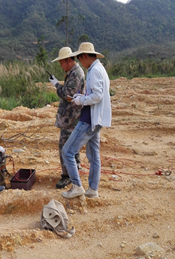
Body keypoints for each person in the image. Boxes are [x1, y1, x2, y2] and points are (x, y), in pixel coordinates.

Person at [60, 42, 112, 199]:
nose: (80, 62)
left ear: (84, 57)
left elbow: (97, 96)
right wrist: (81, 97)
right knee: (94, 155)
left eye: (80, 59)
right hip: (96, 118)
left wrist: (80, 100)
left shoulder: (94, 71)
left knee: (68, 151)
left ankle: (76, 185)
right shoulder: (98, 69)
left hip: (89, 118)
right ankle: (93, 190)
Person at [49, 47, 85, 189]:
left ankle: (67, 175)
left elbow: (68, 95)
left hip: (71, 118)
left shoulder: (75, 74)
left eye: (61, 62)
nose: (60, 65)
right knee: (72, 145)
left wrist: (56, 85)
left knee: (64, 146)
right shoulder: (72, 72)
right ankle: (75, 168)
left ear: (69, 60)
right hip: (72, 116)